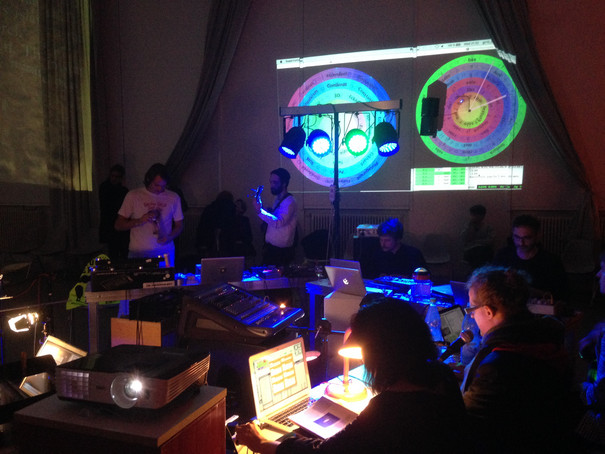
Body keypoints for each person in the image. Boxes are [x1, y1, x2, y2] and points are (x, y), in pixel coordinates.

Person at [234, 297, 471, 454]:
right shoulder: (442, 376)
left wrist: (264, 443)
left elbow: (326, 452)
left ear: (383, 354)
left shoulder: (390, 408)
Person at [461, 266, 578, 453]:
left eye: (472, 309)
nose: (472, 316)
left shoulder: (496, 367)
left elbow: (465, 421)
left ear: (489, 311)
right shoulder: (546, 336)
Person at [114, 163, 184, 267]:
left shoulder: (173, 197)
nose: (160, 189)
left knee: (165, 282)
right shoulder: (134, 195)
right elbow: (118, 225)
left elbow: (179, 225)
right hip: (139, 252)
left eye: (163, 186)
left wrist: (170, 237)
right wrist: (140, 220)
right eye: (156, 185)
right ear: (148, 180)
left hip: (164, 252)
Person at [492, 214, 568, 300]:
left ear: (538, 236)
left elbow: (561, 294)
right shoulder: (503, 256)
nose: (521, 243)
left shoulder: (551, 262)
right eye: (517, 237)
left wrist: (528, 290)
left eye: (527, 238)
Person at [254, 168, 297, 267]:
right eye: (271, 182)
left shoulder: (290, 201)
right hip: (272, 250)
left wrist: (260, 211)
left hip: (281, 253)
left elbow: (279, 222)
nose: (272, 185)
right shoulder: (277, 198)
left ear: (284, 184)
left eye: (275, 182)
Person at [361, 218, 426, 279]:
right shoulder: (377, 254)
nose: (383, 244)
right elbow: (368, 275)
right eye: (381, 240)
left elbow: (423, 278)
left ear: (398, 239)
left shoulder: (413, 254)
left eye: (387, 240)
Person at [98, 164, 130, 261]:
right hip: (109, 225)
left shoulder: (124, 191)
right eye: (112, 176)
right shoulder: (104, 188)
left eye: (117, 177)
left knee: (123, 252)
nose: (114, 179)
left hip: (119, 226)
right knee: (112, 254)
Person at [195, 191, 237, 257]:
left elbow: (202, 227)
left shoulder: (210, 209)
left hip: (210, 237)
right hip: (225, 237)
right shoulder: (231, 208)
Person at [460, 204, 494, 270]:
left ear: (482, 216)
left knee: (483, 253)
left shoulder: (488, 227)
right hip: (470, 251)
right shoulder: (467, 226)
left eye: (475, 215)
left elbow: (490, 241)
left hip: (484, 250)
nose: (473, 217)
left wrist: (476, 243)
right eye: (472, 215)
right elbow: (463, 239)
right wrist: (470, 227)